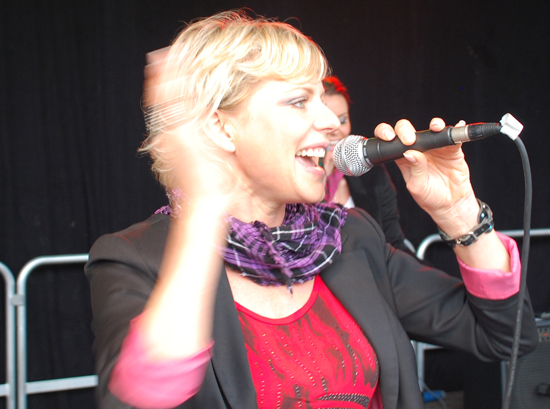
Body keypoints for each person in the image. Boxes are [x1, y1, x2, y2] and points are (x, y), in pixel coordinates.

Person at [85, 10, 538, 409]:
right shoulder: (134, 258)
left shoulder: (351, 237)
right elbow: (140, 399)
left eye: (323, 100)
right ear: (221, 128)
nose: (329, 122)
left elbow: (507, 335)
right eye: (299, 101)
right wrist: (204, 212)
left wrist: (459, 212)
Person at [322, 76, 414, 254]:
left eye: (342, 120)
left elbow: (394, 244)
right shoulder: (294, 179)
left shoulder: (372, 174)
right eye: (327, 120)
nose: (336, 130)